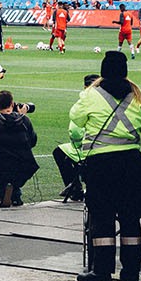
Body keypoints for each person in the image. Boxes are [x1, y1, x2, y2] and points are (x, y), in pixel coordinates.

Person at [71, 51, 141, 281]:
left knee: (102, 218)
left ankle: (102, 272)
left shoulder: (90, 95)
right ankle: (131, 271)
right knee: (131, 218)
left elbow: (75, 119)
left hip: (100, 165)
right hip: (131, 164)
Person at [0, 90, 37, 208]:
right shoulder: (24, 121)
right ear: (12, 103)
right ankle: (13, 192)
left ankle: (5, 192)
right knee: (12, 180)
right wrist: (21, 115)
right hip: (23, 168)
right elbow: (33, 141)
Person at [51, 73, 98, 202]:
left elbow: (76, 132)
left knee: (59, 152)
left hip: (87, 149)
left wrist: (76, 142)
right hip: (108, 146)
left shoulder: (84, 102)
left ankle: (74, 188)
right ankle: (75, 185)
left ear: (84, 86)